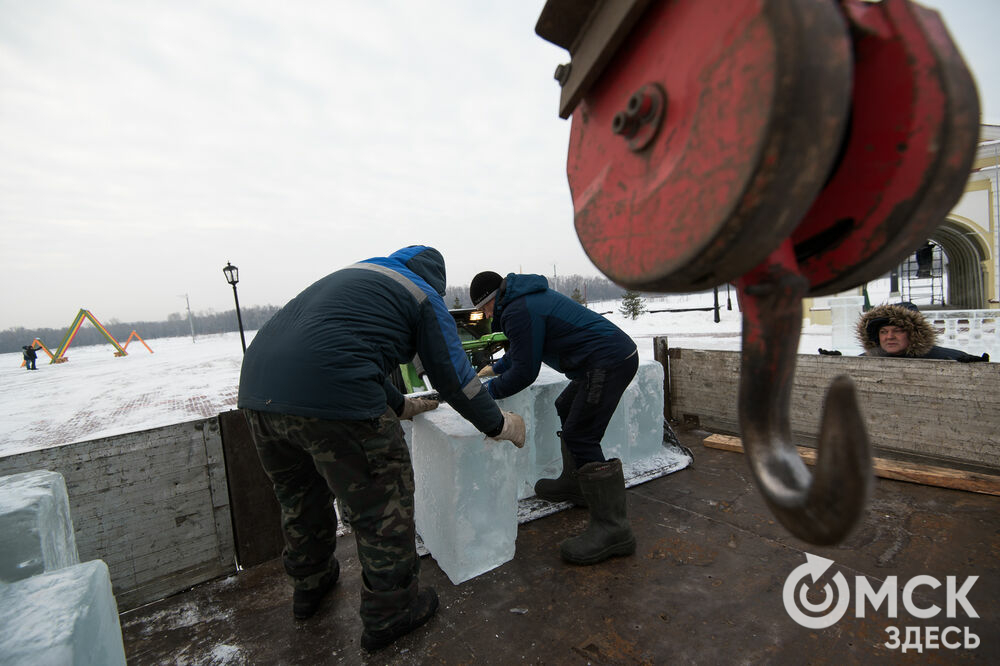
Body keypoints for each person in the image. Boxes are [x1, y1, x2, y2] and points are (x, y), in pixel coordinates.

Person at [237, 246, 525, 651]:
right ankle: (391, 612)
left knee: (299, 497)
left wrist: (400, 404)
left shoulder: (359, 276)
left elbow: (347, 353)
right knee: (382, 503)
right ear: (436, 280)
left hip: (257, 393)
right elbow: (454, 378)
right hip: (333, 397)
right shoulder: (422, 294)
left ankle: (310, 585)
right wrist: (498, 424)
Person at [470, 270, 638, 566]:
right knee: (565, 404)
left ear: (493, 299)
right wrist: (494, 370)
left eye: (484, 307)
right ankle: (576, 485)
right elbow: (523, 352)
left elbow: (525, 372)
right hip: (604, 359)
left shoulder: (518, 309)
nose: (484, 314)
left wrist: (487, 394)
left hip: (608, 360)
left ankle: (614, 529)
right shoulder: (522, 302)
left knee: (581, 435)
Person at [857, 302, 989, 362]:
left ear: (913, 333)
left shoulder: (947, 358)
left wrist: (978, 368)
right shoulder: (865, 361)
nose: (889, 337)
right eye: (883, 332)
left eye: (898, 331)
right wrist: (837, 362)